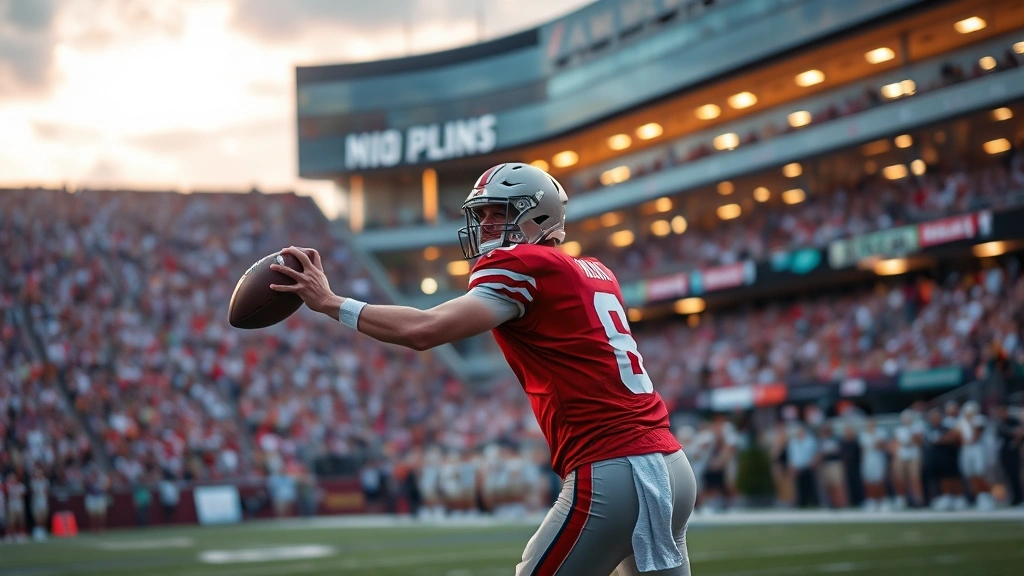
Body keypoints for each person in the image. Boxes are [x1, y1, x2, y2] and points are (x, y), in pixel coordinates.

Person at [271, 163, 696, 575]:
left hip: (614, 466)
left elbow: (425, 329)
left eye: (502, 212)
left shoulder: (523, 264)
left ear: (540, 215)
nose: (488, 224)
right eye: (483, 214)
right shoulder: (596, 272)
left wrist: (330, 303)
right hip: (670, 465)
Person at [958, 401, 994, 509]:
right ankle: (979, 496)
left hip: (978, 449)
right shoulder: (961, 422)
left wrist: (970, 422)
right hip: (966, 450)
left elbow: (976, 436)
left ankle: (988, 496)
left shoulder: (979, 419)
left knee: (979, 473)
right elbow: (958, 436)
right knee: (970, 475)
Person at [891, 409, 925, 509]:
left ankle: (918, 499)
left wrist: (912, 433)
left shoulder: (917, 428)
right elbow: (896, 443)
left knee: (915, 478)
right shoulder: (899, 429)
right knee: (900, 478)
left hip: (913, 455)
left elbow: (919, 441)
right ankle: (902, 499)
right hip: (902, 455)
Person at [993, 403, 1023, 506]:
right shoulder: (1000, 423)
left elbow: (1020, 433)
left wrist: (1015, 439)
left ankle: (1019, 497)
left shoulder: (1013, 421)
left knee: (1016, 474)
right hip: (1004, 452)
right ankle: (1014, 497)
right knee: (1008, 475)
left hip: (1013, 452)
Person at [859, 418, 889, 511]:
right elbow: (863, 449)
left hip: (878, 459)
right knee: (869, 481)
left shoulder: (880, 432)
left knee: (879, 480)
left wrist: (874, 440)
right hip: (868, 460)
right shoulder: (863, 435)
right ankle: (872, 500)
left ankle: (883, 500)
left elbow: (880, 445)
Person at [786, 426, 818, 509]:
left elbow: (816, 453)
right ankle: (801, 503)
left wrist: (813, 463)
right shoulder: (793, 442)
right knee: (799, 487)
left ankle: (813, 503)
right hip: (797, 468)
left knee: (811, 486)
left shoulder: (810, 440)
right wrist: (791, 467)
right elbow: (791, 456)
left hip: (808, 467)